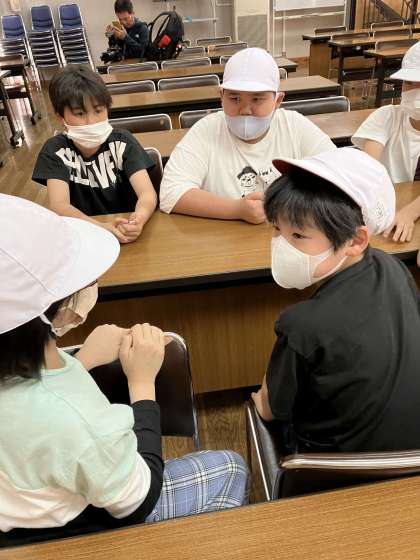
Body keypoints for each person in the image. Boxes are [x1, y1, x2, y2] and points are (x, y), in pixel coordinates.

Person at [0, 194, 248, 546]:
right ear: (51, 309)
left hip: (21, 525)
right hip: (80, 531)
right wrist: (142, 383)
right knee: (229, 468)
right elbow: (137, 501)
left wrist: (81, 362)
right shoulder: (76, 424)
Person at [252, 148, 420, 453]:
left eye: (298, 236)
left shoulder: (301, 324)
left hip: (333, 469)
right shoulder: (393, 267)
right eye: (276, 229)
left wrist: (263, 395)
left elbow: (269, 409)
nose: (281, 245)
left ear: (355, 240)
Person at [159, 48, 337, 224]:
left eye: (257, 99)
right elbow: (170, 193)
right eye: (234, 99)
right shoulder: (206, 130)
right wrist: (236, 209)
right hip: (224, 238)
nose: (245, 110)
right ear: (221, 96)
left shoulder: (294, 126)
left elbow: (338, 174)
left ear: (277, 101)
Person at [32, 65, 156, 244]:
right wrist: (101, 227)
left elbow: (147, 193)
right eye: (80, 113)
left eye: (98, 111)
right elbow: (59, 205)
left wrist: (139, 218)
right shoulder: (55, 151)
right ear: (61, 118)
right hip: (83, 236)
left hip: (128, 231)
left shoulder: (123, 142)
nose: (91, 121)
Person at [352, 41, 420, 243]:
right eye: (409, 83)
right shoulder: (387, 116)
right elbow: (368, 168)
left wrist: (410, 212)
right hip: (384, 209)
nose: (415, 92)